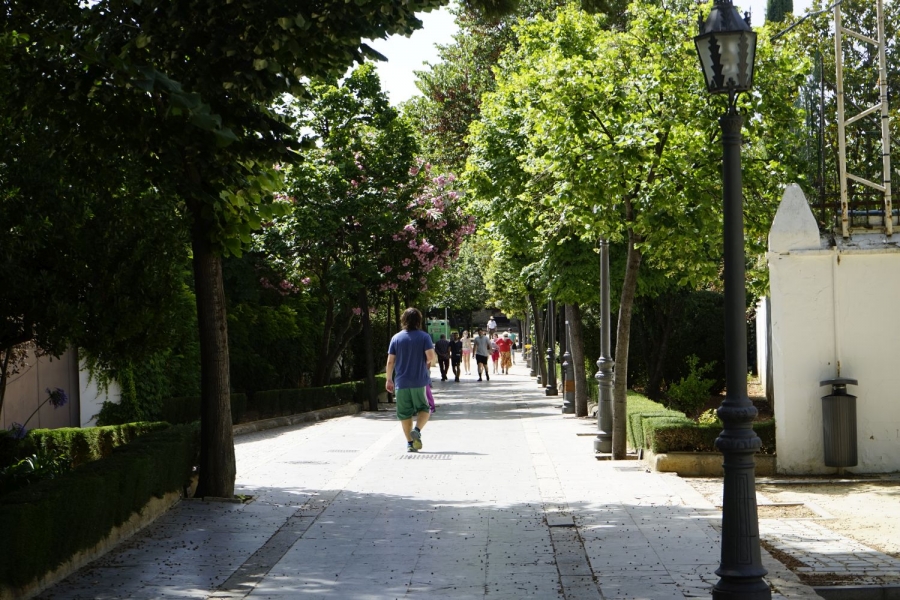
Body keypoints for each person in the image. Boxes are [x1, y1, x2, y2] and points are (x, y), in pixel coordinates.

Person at [386, 307, 437, 452]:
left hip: (401, 383)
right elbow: (431, 357)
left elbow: (390, 361)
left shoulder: (396, 338)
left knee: (404, 413)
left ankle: (409, 443)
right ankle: (417, 430)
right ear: (418, 321)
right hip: (419, 381)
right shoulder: (424, 337)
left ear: (404, 320)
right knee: (424, 409)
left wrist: (389, 379)